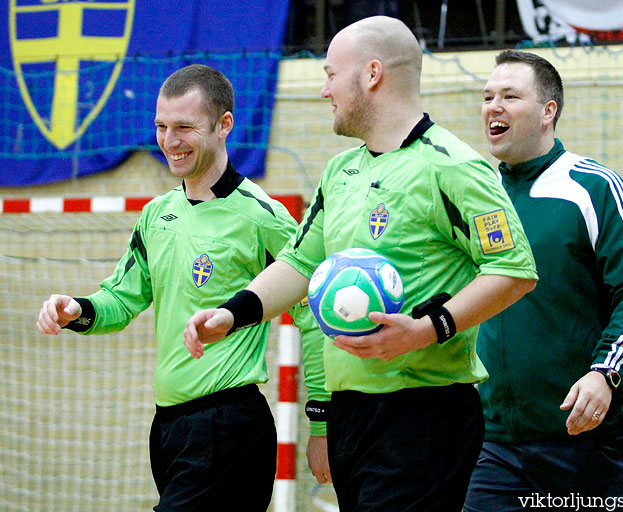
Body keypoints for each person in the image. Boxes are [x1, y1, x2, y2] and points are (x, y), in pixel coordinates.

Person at [184, 17, 538, 512]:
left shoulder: (454, 167)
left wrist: (426, 329)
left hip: (424, 414)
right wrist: (232, 313)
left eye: (331, 73)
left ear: (372, 74)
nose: (323, 89)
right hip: (353, 413)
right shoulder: (342, 171)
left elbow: (514, 270)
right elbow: (300, 264)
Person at [35, 64, 330, 511]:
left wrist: (322, 422)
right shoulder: (157, 214)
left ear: (224, 125)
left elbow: (314, 312)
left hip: (227, 424)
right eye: (161, 126)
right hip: (169, 428)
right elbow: (122, 298)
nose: (170, 141)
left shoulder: (262, 215)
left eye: (185, 127)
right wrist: (76, 309)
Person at [464, 50, 623, 512]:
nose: (493, 106)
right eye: (488, 96)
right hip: (497, 449)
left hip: (593, 448)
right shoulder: (476, 197)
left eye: (510, 96)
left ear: (548, 111)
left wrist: (605, 372)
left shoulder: (594, 187)